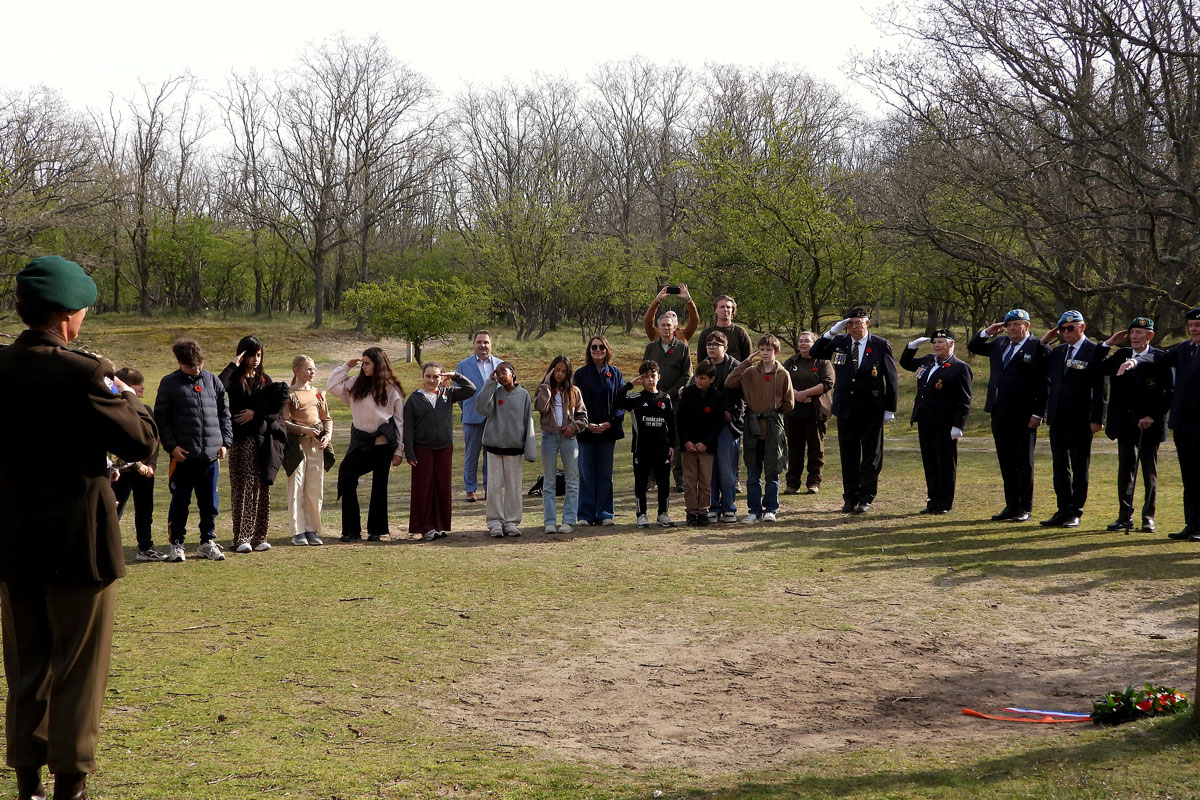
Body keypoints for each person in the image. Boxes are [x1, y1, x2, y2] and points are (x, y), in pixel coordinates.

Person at [0, 255, 158, 800]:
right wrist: (124, 389)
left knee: (25, 668)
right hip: (78, 541)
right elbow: (141, 439)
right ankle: (69, 784)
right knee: (78, 668)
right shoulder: (87, 371)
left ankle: (27, 784)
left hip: (14, 541)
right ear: (67, 317)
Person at [811, 307, 899, 513]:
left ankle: (866, 497)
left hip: (871, 409)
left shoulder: (880, 344)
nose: (854, 327)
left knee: (871, 456)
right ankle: (850, 497)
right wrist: (832, 332)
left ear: (867, 323)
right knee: (848, 456)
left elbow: (891, 378)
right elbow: (815, 352)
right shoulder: (840, 342)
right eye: (850, 323)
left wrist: (890, 408)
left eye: (858, 323)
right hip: (845, 408)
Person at [966, 309, 1050, 523]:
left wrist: (1039, 412)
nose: (1012, 329)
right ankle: (1011, 505)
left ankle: (1025, 507)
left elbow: (1044, 384)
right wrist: (987, 332)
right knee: (1006, 461)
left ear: (1027, 326)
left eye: (1017, 324)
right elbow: (974, 347)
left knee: (1024, 462)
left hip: (1024, 414)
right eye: (1009, 325)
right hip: (999, 411)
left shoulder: (1038, 347)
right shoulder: (1000, 343)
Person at [156, 338, 233, 562]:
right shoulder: (169, 383)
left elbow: (224, 413)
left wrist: (225, 442)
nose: (196, 369)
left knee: (210, 503)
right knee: (180, 501)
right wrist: (171, 447)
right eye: (191, 366)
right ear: (179, 362)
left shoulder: (213, 380)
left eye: (199, 364)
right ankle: (177, 543)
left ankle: (206, 541)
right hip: (183, 456)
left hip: (210, 455)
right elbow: (162, 417)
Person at [1093, 318, 1173, 533]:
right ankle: (1124, 516)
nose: (1135, 336)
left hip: (1149, 425)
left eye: (1140, 332)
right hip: (1124, 424)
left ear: (1150, 336)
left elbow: (1168, 393)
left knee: (1148, 472)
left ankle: (1148, 517)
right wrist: (1107, 344)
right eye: (1132, 332)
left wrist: (1153, 416)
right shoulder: (1120, 355)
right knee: (1125, 471)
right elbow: (1095, 368)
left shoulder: (1160, 358)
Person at [328, 347, 406, 542]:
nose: (363, 367)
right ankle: (351, 530)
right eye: (363, 362)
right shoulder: (355, 383)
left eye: (368, 363)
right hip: (360, 442)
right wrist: (346, 366)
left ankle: (376, 531)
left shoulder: (392, 389)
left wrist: (399, 450)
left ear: (378, 364)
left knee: (380, 485)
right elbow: (331, 386)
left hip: (383, 444)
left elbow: (399, 421)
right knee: (347, 477)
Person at [1037, 311, 1107, 528]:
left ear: (1082, 328)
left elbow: (1101, 388)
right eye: (1062, 329)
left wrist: (1097, 418)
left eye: (1071, 328)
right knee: (1059, 466)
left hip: (1081, 419)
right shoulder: (1057, 352)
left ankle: (1076, 510)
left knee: (1079, 465)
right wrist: (1043, 343)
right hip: (1058, 417)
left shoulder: (1094, 350)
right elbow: (1038, 371)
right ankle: (1062, 508)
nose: (1066, 333)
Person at [219, 336, 288, 553]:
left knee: (262, 487)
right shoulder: (235, 378)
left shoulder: (265, 380)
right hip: (241, 440)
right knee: (244, 487)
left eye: (259, 355)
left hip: (261, 439)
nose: (256, 359)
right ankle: (242, 537)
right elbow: (219, 386)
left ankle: (260, 536)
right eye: (251, 355)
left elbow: (274, 408)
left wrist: (255, 414)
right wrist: (233, 364)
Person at [899, 329, 973, 514]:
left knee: (945, 463)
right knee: (930, 462)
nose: (937, 345)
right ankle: (933, 500)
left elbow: (964, 399)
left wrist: (958, 425)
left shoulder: (960, 367)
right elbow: (906, 363)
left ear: (951, 344)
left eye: (941, 342)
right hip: (925, 420)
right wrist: (911, 347)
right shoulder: (928, 361)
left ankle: (944, 502)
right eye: (935, 342)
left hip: (945, 422)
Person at [726, 334, 796, 523]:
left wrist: (773, 413)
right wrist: (745, 362)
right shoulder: (749, 372)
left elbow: (789, 403)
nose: (765, 353)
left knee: (772, 470)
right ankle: (754, 510)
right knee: (753, 470)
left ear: (776, 352)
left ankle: (771, 509)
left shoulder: (783, 374)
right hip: (752, 425)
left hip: (773, 426)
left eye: (769, 350)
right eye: (762, 349)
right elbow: (729, 382)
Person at [403, 363, 477, 540]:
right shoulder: (414, 399)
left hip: (444, 448)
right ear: (422, 377)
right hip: (422, 449)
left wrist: (455, 376)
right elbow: (408, 428)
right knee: (424, 489)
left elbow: (471, 389)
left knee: (442, 487)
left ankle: (440, 525)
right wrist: (409, 452)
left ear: (441, 378)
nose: (432, 380)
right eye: (428, 376)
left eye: (436, 376)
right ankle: (425, 526)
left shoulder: (448, 393)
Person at [109, 367, 164, 560]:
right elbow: (119, 444)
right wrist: (137, 465)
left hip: (146, 471)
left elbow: (154, 438)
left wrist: (152, 465)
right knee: (114, 510)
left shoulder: (145, 410)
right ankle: (108, 549)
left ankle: (146, 547)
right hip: (122, 471)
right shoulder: (116, 411)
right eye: (136, 384)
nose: (141, 387)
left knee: (145, 509)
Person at [615, 360, 677, 528]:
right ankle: (641, 514)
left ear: (659, 377)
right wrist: (629, 385)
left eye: (653, 376)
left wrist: (672, 445)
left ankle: (663, 514)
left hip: (662, 449)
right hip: (641, 449)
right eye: (646, 377)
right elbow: (617, 401)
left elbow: (671, 425)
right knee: (641, 483)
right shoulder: (636, 398)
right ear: (641, 379)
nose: (650, 380)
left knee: (664, 483)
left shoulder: (666, 398)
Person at [476, 361, 535, 537]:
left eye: (504, 372)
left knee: (514, 487)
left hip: (514, 448)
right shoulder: (494, 393)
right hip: (494, 447)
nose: (501, 376)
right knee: (493, 486)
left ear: (513, 373)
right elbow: (481, 409)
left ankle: (511, 521)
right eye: (498, 373)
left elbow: (528, 421)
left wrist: (529, 450)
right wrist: (489, 383)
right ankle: (494, 522)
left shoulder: (523, 395)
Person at [281, 355, 333, 546]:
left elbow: (326, 418)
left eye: (314, 369)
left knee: (314, 486)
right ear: (296, 370)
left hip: (316, 444)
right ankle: (298, 531)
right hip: (297, 444)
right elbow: (284, 422)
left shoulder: (319, 393)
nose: (313, 372)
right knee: (296, 485)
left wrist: (327, 435)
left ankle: (312, 528)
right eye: (308, 369)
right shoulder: (289, 393)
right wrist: (304, 430)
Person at [574, 335, 625, 526]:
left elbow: (621, 401)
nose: (598, 350)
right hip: (586, 431)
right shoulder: (580, 374)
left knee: (605, 474)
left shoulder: (616, 373)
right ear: (589, 350)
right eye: (594, 347)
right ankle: (586, 514)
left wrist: (610, 423)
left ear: (607, 349)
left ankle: (604, 513)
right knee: (586, 474)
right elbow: (574, 403)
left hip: (608, 431)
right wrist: (586, 424)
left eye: (601, 347)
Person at [534, 355, 589, 534]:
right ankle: (550, 521)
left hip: (568, 438)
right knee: (549, 480)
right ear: (551, 370)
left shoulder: (575, 391)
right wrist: (547, 385)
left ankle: (568, 520)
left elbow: (583, 418)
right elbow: (540, 407)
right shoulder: (543, 389)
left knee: (572, 480)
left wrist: (573, 427)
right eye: (556, 370)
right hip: (549, 437)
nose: (560, 374)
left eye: (563, 371)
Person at [643, 307, 692, 491]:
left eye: (668, 325)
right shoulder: (651, 348)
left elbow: (686, 375)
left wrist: (669, 394)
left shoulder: (682, 348)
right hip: (654, 401)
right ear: (658, 327)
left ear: (675, 329)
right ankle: (652, 477)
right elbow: (644, 372)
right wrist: (654, 394)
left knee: (677, 440)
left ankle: (679, 477)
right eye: (662, 325)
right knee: (654, 439)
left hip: (675, 401)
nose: (665, 328)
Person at [697, 331, 744, 522]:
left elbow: (743, 396)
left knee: (726, 468)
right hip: (707, 426)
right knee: (710, 468)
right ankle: (713, 506)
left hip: (727, 425)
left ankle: (729, 507)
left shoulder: (735, 367)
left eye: (716, 344)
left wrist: (732, 415)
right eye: (709, 344)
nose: (711, 347)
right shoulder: (703, 366)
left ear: (725, 347)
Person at [1161, 307, 1200, 541]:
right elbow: (1161, 357)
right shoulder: (1185, 348)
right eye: (1191, 326)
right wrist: (1136, 359)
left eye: (1198, 326)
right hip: (1183, 423)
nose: (1194, 330)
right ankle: (1191, 523)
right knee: (1189, 477)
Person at [782, 332, 834, 495]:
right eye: (801, 341)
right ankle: (792, 484)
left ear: (815, 343)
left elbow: (828, 382)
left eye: (808, 341)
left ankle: (813, 483)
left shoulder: (823, 361)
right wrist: (796, 395)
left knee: (815, 450)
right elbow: (782, 381)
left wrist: (806, 393)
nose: (804, 344)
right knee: (794, 450)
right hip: (793, 413)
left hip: (816, 413)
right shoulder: (791, 362)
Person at [676, 361, 727, 525]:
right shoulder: (688, 394)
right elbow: (680, 420)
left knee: (705, 481)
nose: (699, 381)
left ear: (711, 379)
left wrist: (706, 443)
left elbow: (718, 423)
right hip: (688, 446)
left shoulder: (717, 397)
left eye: (703, 378)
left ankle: (703, 511)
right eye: (697, 377)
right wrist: (686, 441)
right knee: (689, 481)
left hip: (707, 447)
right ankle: (691, 512)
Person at [456, 330, 503, 502]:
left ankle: (489, 488)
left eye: (486, 342)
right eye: (479, 342)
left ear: (491, 344)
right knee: (471, 455)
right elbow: (458, 393)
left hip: (494, 418)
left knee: (490, 455)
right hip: (472, 417)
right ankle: (470, 490)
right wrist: (468, 409)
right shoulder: (463, 365)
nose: (482, 346)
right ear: (474, 344)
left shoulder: (500, 365)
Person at [698, 295, 753, 362]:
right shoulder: (706, 333)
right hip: (712, 371)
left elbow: (748, 360)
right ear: (715, 310)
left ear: (732, 311)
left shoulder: (740, 333)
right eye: (722, 307)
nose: (725, 309)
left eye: (728, 307)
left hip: (737, 371)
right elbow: (701, 361)